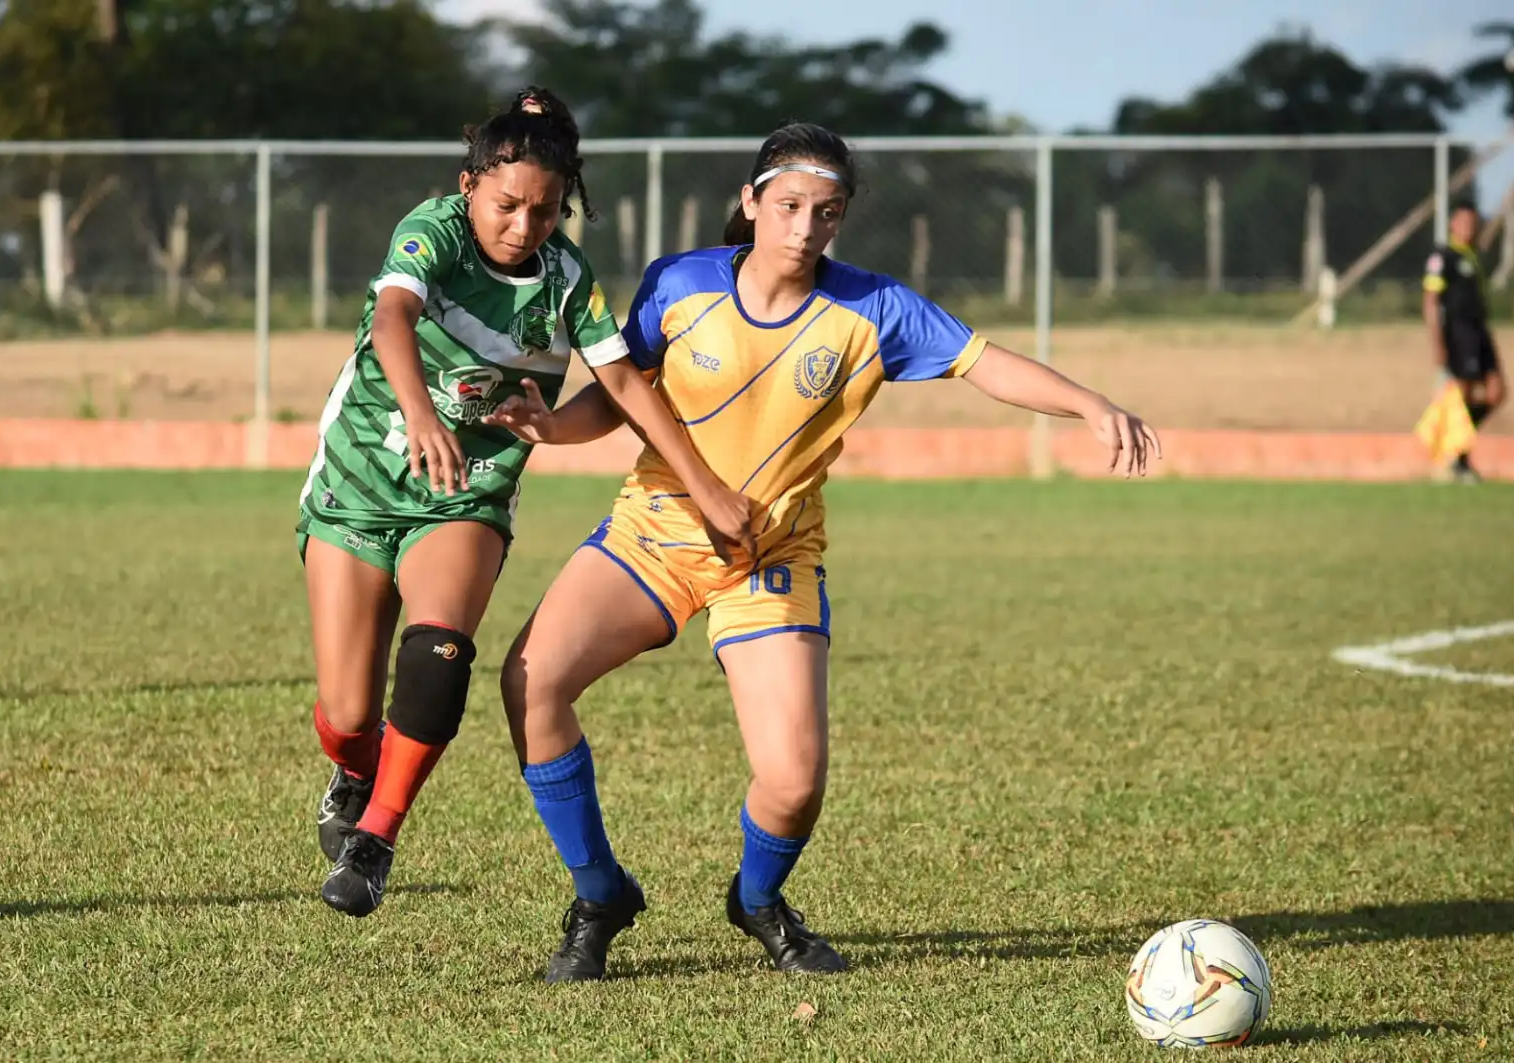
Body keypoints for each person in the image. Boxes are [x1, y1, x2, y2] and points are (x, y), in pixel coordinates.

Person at [489, 121, 1161, 981]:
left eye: (827, 212)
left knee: (795, 780)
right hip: (651, 537)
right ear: (753, 202)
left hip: (771, 560)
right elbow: (623, 393)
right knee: (531, 682)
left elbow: (984, 362)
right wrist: (553, 423)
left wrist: (1091, 403)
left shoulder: (872, 309)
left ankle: (759, 900)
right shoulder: (681, 282)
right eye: (792, 206)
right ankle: (599, 895)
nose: (806, 228)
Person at [299, 87, 749, 918]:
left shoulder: (569, 280)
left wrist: (707, 486)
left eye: (545, 212)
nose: (523, 225)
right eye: (507, 205)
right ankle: (354, 768)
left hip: (464, 491)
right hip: (358, 482)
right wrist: (422, 412)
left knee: (438, 655)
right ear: (470, 184)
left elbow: (625, 384)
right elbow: (394, 317)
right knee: (348, 709)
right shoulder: (431, 229)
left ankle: (377, 838)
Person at [1423, 201, 1507, 483]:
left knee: (1496, 392)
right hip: (1459, 333)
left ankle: (1455, 445)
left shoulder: (1473, 255)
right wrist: (1437, 343)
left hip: (1480, 330)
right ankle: (1457, 459)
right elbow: (1431, 300)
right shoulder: (1443, 256)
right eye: (1464, 222)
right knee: (1463, 394)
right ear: (1452, 224)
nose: (1470, 228)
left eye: (1474, 222)